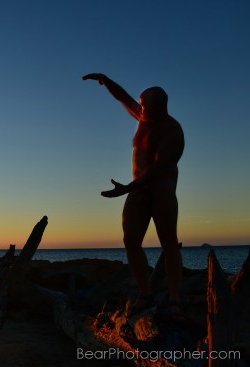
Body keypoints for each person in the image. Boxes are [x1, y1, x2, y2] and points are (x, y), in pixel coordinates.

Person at [82, 73, 185, 320]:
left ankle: (175, 300)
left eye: (144, 104)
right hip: (137, 190)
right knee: (131, 241)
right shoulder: (142, 117)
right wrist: (105, 80)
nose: (139, 106)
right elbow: (123, 98)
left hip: (161, 191)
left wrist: (127, 188)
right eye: (140, 102)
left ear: (158, 108)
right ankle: (145, 293)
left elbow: (160, 167)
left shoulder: (173, 131)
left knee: (169, 243)